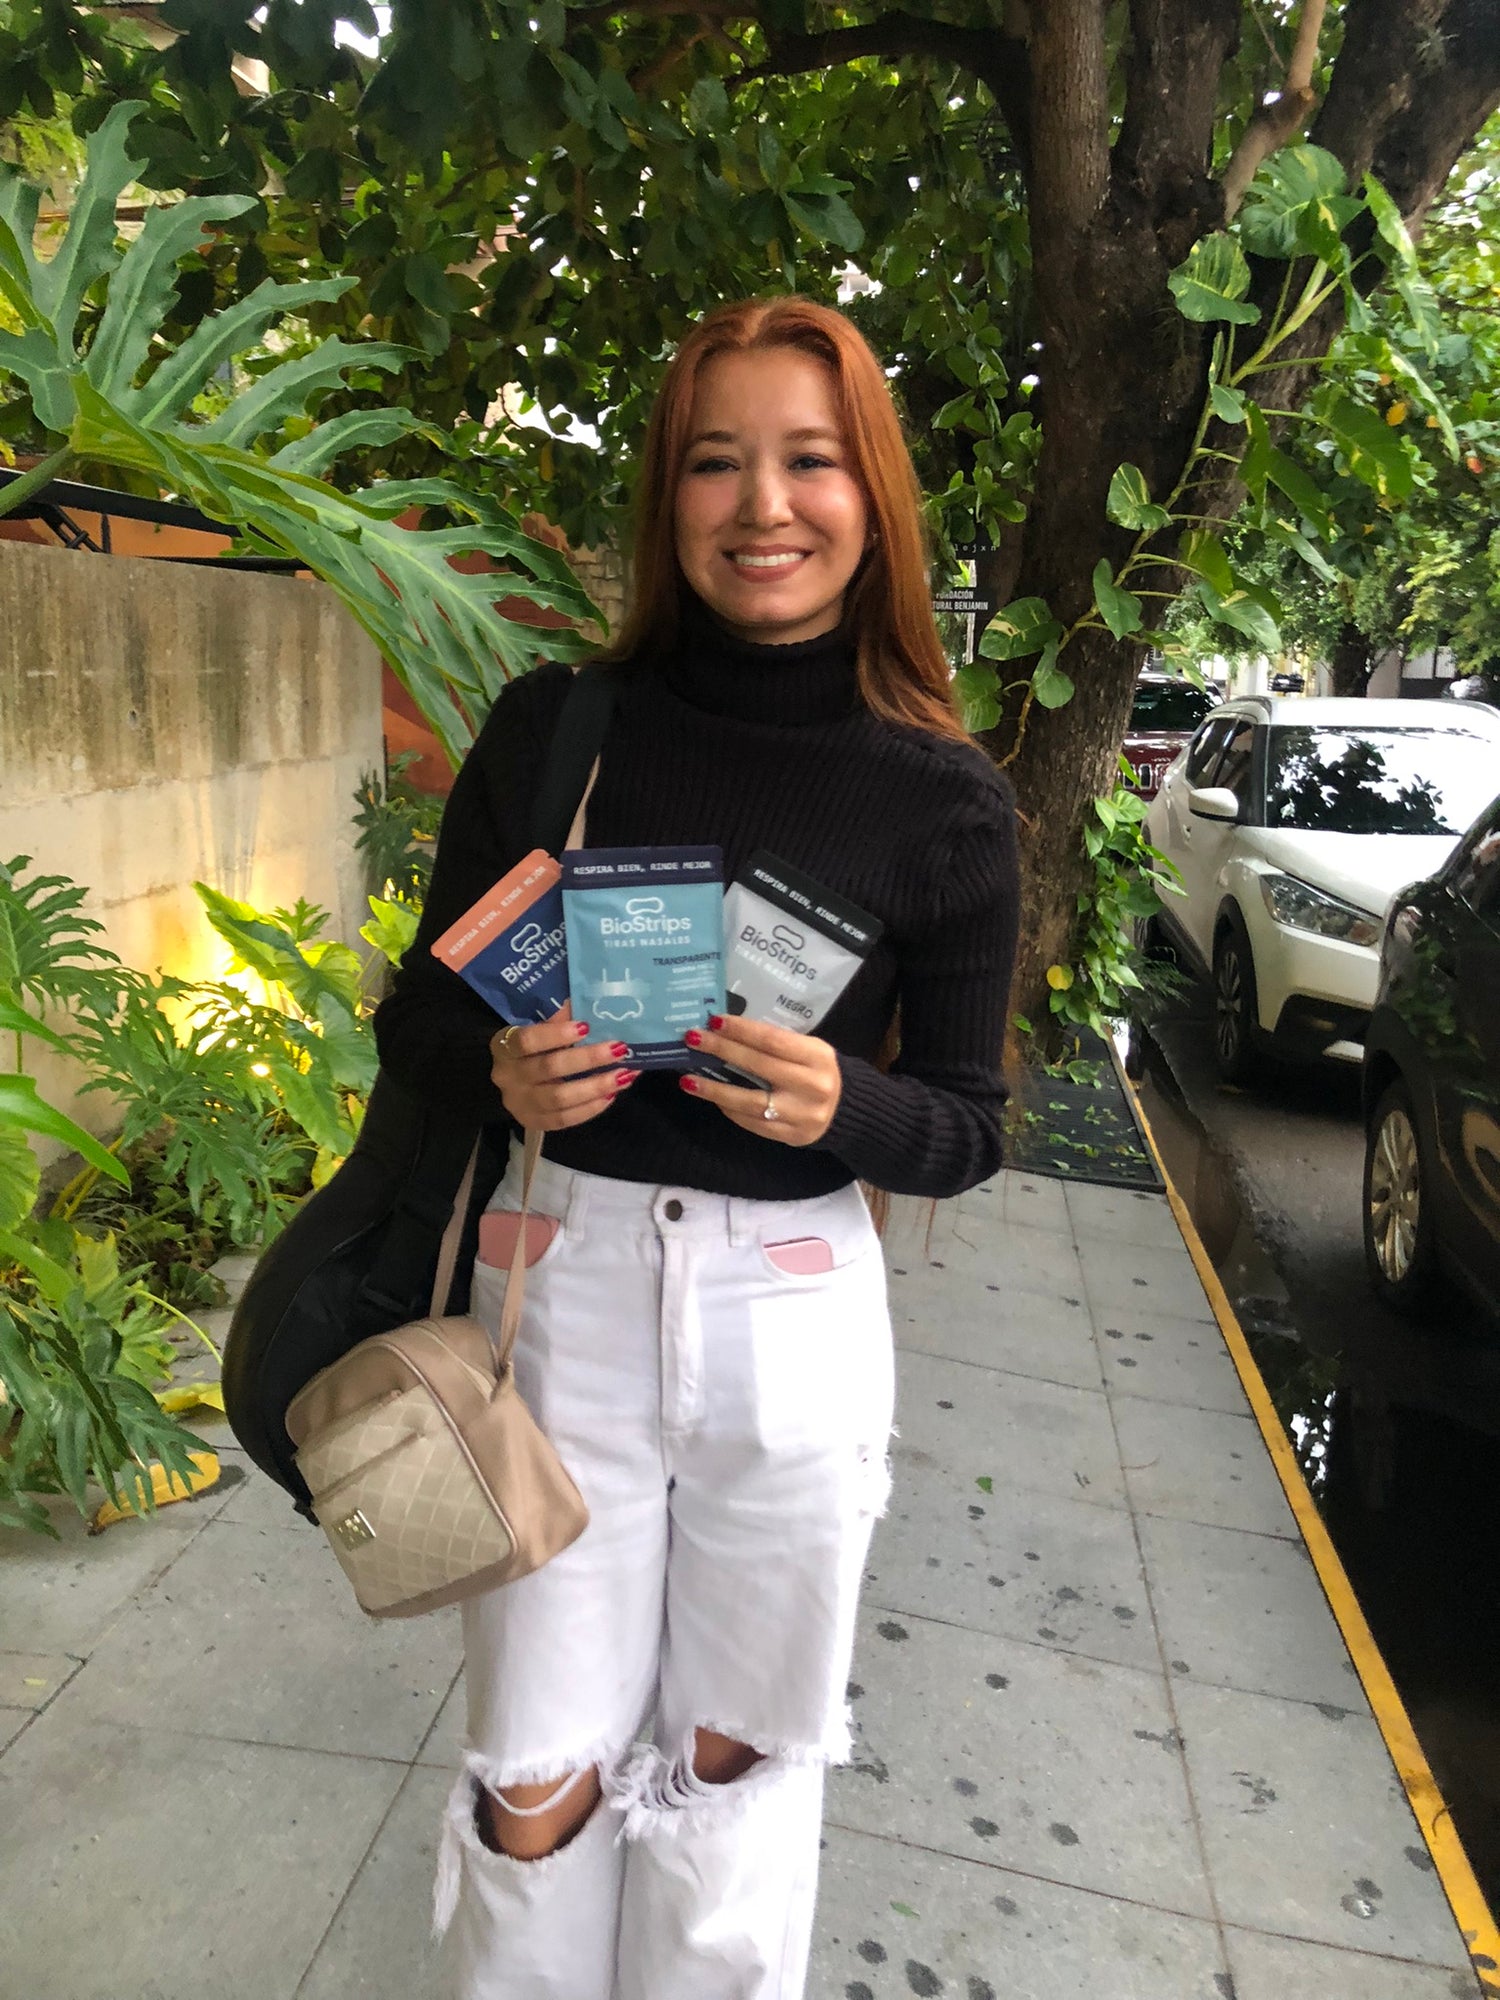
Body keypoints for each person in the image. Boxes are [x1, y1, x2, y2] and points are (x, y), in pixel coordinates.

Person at [374, 294, 1020, 2000]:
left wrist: (843, 1106)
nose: (764, 506)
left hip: (790, 1308)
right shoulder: (559, 728)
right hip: (559, 1287)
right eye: (716, 463)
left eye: (811, 461)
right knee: (534, 1778)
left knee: (735, 1781)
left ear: (872, 497)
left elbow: (969, 1126)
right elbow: (417, 1021)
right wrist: (504, 1070)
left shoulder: (942, 796)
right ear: (669, 498)